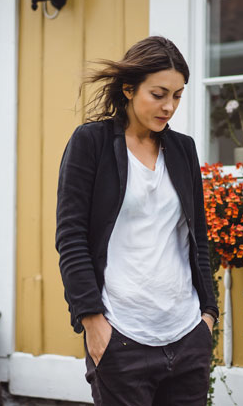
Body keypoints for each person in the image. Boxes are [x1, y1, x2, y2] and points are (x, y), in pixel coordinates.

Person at [55, 36, 219, 405]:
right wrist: (92, 321)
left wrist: (208, 314)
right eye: (159, 94)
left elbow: (198, 237)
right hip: (122, 336)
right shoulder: (91, 143)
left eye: (177, 96)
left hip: (186, 333)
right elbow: (71, 237)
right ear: (129, 89)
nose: (169, 106)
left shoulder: (183, 150)